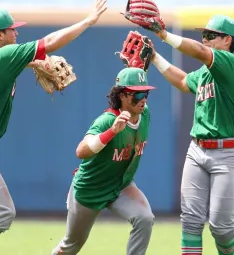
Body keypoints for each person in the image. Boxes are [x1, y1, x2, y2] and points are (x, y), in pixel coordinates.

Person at [0, 0, 108, 255]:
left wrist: (33, 63)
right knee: (3, 213)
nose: (17, 32)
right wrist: (88, 21)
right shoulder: (4, 55)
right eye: (12, 29)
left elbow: (3, 67)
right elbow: (50, 42)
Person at [148, 14, 234, 255]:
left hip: (227, 153)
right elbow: (183, 81)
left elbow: (201, 53)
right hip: (197, 150)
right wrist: (154, 57)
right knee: (190, 221)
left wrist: (164, 35)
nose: (205, 39)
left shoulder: (231, 65)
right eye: (204, 34)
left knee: (221, 227)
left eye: (211, 35)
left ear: (227, 41)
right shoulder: (205, 72)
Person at [51, 67, 156, 255]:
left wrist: (136, 65)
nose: (143, 99)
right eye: (138, 94)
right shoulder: (107, 121)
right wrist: (112, 132)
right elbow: (81, 151)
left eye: (146, 93)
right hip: (91, 188)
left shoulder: (144, 114)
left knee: (145, 218)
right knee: (71, 245)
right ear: (122, 95)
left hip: (121, 185)